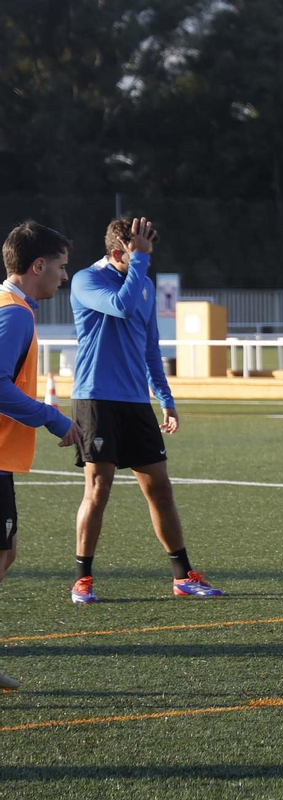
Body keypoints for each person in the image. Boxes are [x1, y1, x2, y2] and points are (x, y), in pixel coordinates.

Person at [69, 217, 222, 604]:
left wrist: (166, 399)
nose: (145, 262)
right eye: (139, 255)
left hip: (136, 402)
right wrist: (139, 263)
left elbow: (150, 347)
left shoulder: (145, 284)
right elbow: (119, 307)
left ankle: (182, 574)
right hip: (96, 399)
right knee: (98, 488)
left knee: (160, 488)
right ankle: (82, 578)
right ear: (118, 253)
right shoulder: (87, 280)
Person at [0, 221, 88, 692]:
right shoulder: (14, 313)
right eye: (60, 266)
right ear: (38, 266)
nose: (64, 276)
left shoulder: (9, 307)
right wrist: (52, 418)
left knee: (6, 551)